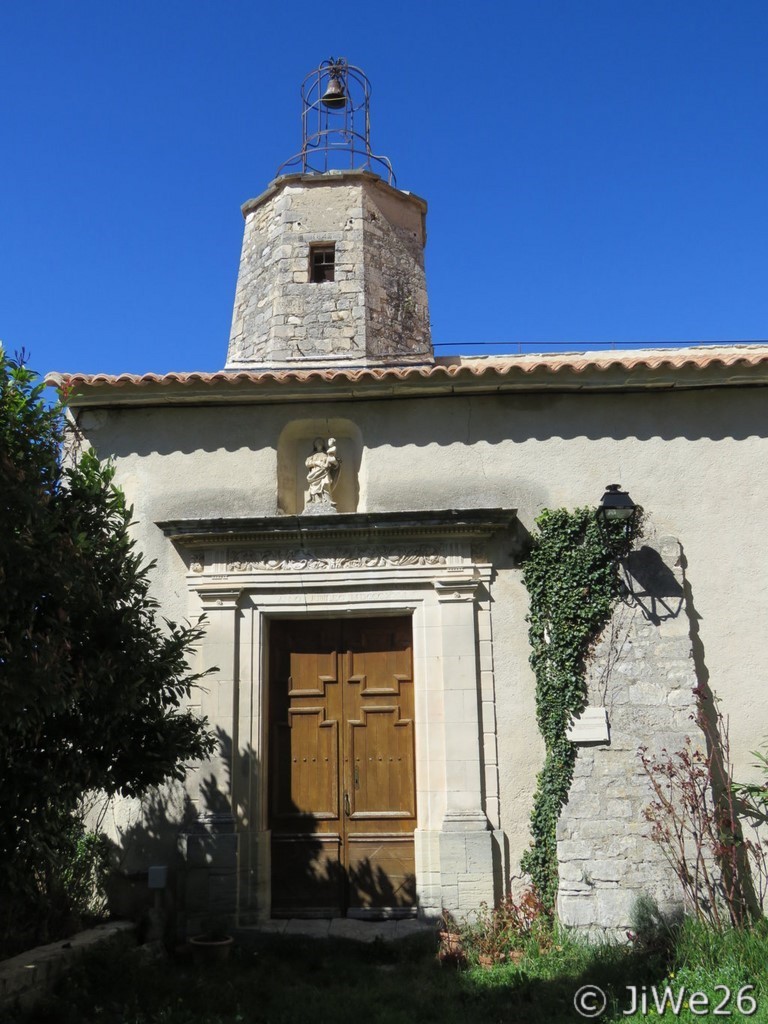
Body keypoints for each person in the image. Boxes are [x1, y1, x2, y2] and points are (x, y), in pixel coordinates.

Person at [305, 436, 340, 508]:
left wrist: (335, 462)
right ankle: (316, 501)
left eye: (321, 442)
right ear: (314, 444)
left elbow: (331, 463)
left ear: (323, 444)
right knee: (314, 487)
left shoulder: (326, 453)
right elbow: (307, 463)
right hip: (315, 473)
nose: (319, 443)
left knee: (326, 483)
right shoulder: (312, 454)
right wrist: (316, 463)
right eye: (317, 442)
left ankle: (327, 500)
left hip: (325, 472)